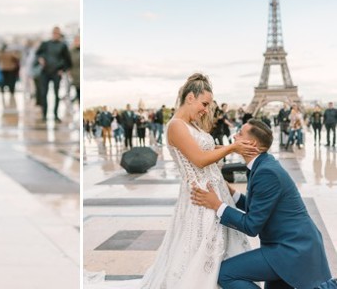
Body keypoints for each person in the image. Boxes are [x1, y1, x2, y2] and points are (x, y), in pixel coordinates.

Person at [85, 75, 256, 289]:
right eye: (204, 104)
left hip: (212, 194)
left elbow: (208, 151)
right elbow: (200, 160)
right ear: (190, 98)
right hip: (199, 197)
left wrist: (227, 174)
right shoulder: (176, 126)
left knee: (215, 249)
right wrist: (232, 148)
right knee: (201, 249)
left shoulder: (191, 125)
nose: (205, 109)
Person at [192, 113, 331, 287]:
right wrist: (232, 192)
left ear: (252, 144)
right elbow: (259, 206)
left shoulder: (267, 172)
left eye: (240, 134)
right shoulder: (263, 164)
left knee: (225, 273)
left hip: (291, 249)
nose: (235, 136)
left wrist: (217, 205)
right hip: (287, 244)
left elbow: (251, 226)